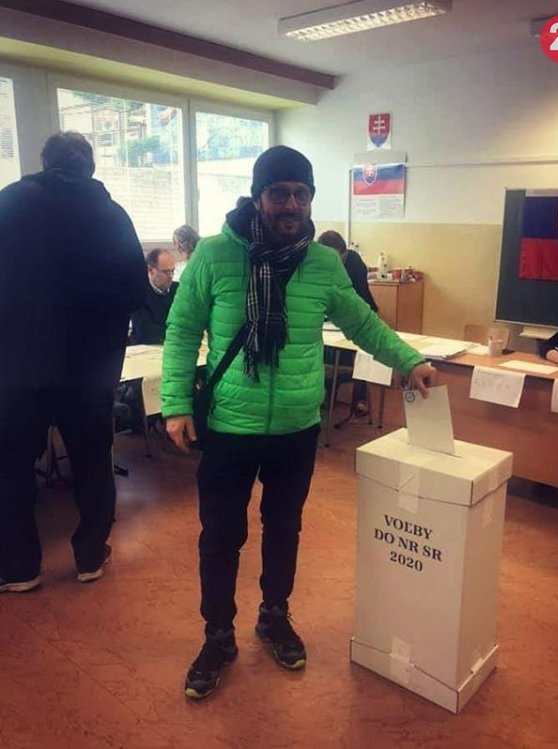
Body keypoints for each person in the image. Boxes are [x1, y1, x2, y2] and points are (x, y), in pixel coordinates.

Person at [161, 145, 436, 700]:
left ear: (311, 199)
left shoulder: (323, 263)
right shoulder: (215, 255)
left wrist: (409, 360)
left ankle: (274, 615)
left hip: (295, 427)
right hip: (230, 426)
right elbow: (182, 331)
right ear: (257, 196)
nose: (291, 204)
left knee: (284, 528)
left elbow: (363, 324)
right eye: (279, 193)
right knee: (221, 536)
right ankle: (218, 635)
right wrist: (176, 404)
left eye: (301, 194)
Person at [0, 131, 147, 592]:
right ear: (91, 167)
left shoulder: (9, 205)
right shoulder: (112, 215)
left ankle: (20, 568)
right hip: (90, 367)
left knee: (11, 465)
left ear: (44, 163)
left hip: (20, 364)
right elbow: (135, 292)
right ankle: (89, 555)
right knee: (92, 461)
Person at [318, 229, 378, 416]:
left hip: (360, 310)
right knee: (328, 352)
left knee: (359, 354)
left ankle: (360, 399)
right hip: (330, 320)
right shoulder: (316, 264)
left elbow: (358, 297)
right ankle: (328, 395)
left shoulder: (354, 262)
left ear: (344, 254)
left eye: (339, 258)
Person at [130, 249, 179, 345]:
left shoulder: (178, 289)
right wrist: (177, 331)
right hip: (144, 347)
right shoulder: (138, 293)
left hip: (173, 344)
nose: (170, 276)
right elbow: (145, 332)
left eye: (172, 271)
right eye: (165, 272)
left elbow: (188, 321)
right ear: (150, 270)